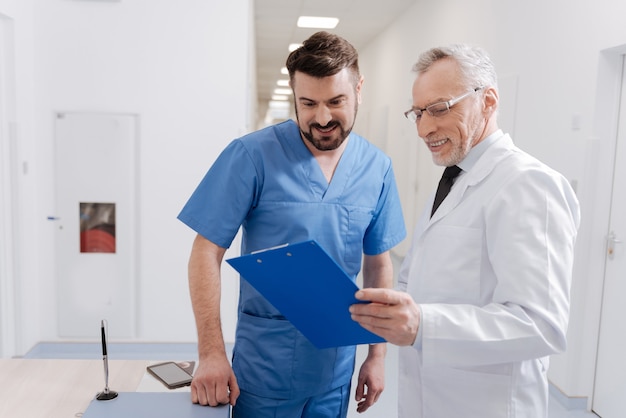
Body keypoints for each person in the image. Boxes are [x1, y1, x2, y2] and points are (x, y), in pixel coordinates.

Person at [177, 31, 406, 418]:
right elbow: (206, 251)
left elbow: (378, 264)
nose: (322, 118)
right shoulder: (251, 156)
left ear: (359, 89)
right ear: (293, 95)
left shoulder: (377, 168)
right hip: (263, 367)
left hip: (334, 368)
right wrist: (211, 353)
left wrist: (377, 355)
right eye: (308, 103)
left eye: (336, 101)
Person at [350, 44, 580, 418]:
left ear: (488, 101)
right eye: (418, 112)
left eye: (440, 109)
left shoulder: (528, 185)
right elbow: (423, 280)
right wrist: (381, 306)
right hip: (432, 397)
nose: (424, 128)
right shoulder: (454, 179)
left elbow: (542, 325)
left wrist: (424, 325)